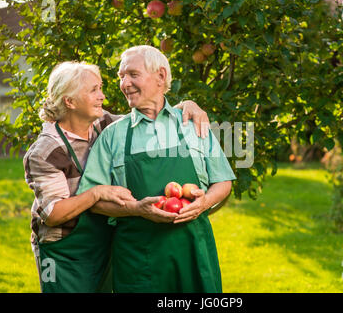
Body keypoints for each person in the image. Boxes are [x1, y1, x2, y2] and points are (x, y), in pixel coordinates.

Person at [24, 60, 210, 293]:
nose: (102, 96)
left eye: (100, 87)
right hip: (63, 251)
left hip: (102, 239)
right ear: (69, 102)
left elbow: (149, 114)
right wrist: (96, 193)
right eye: (93, 90)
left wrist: (187, 105)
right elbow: (53, 214)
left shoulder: (104, 124)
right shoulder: (46, 152)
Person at [77, 45, 236, 292]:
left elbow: (223, 181)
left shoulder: (194, 124)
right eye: (121, 77)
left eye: (133, 74)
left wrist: (204, 203)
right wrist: (136, 209)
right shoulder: (113, 135)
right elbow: (92, 200)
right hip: (139, 259)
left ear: (161, 76)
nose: (124, 83)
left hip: (194, 251)